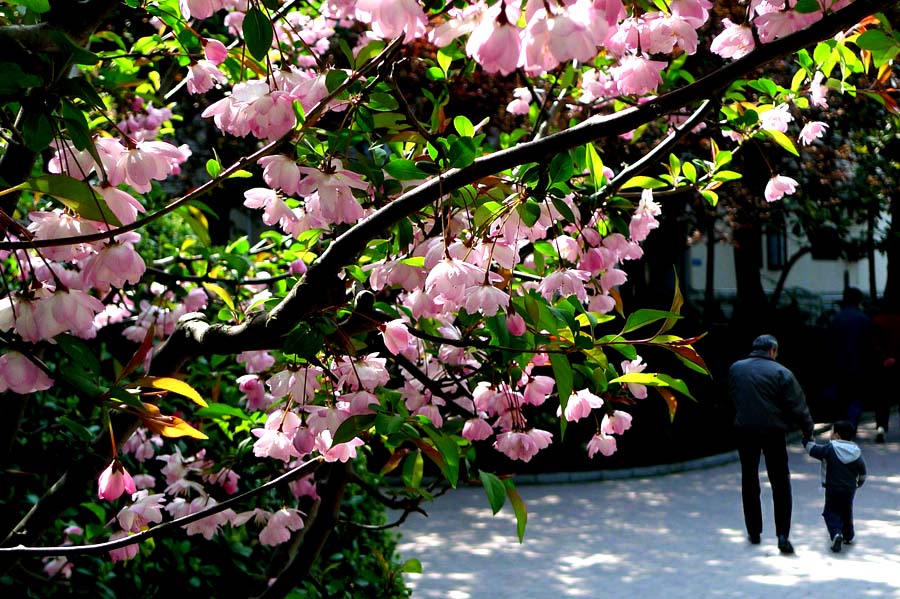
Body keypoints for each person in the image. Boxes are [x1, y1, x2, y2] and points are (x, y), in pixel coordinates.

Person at [729, 334, 815, 554]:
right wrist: (808, 432)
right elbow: (798, 406)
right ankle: (782, 535)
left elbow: (733, 396)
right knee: (780, 483)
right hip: (773, 432)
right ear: (773, 350)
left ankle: (754, 531)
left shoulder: (736, 369)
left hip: (745, 431)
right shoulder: (781, 372)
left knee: (749, 479)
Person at [803, 420, 867, 552]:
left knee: (831, 511)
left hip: (832, 487)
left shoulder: (830, 448)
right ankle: (848, 535)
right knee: (846, 511)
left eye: (832, 433)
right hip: (850, 489)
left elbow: (813, 450)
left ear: (837, 436)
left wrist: (806, 440)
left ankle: (836, 533)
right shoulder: (856, 452)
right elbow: (863, 471)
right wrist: (859, 483)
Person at [827, 287, 874, 427]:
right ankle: (851, 424)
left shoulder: (836, 319)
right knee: (856, 397)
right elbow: (868, 346)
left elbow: (829, 345)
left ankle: (841, 424)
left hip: (838, 365)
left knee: (842, 397)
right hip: (858, 365)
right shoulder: (863, 319)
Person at [870, 304, 900, 443]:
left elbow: (873, 343)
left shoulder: (878, 321)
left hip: (882, 367)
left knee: (882, 400)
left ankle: (881, 427)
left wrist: (885, 357)